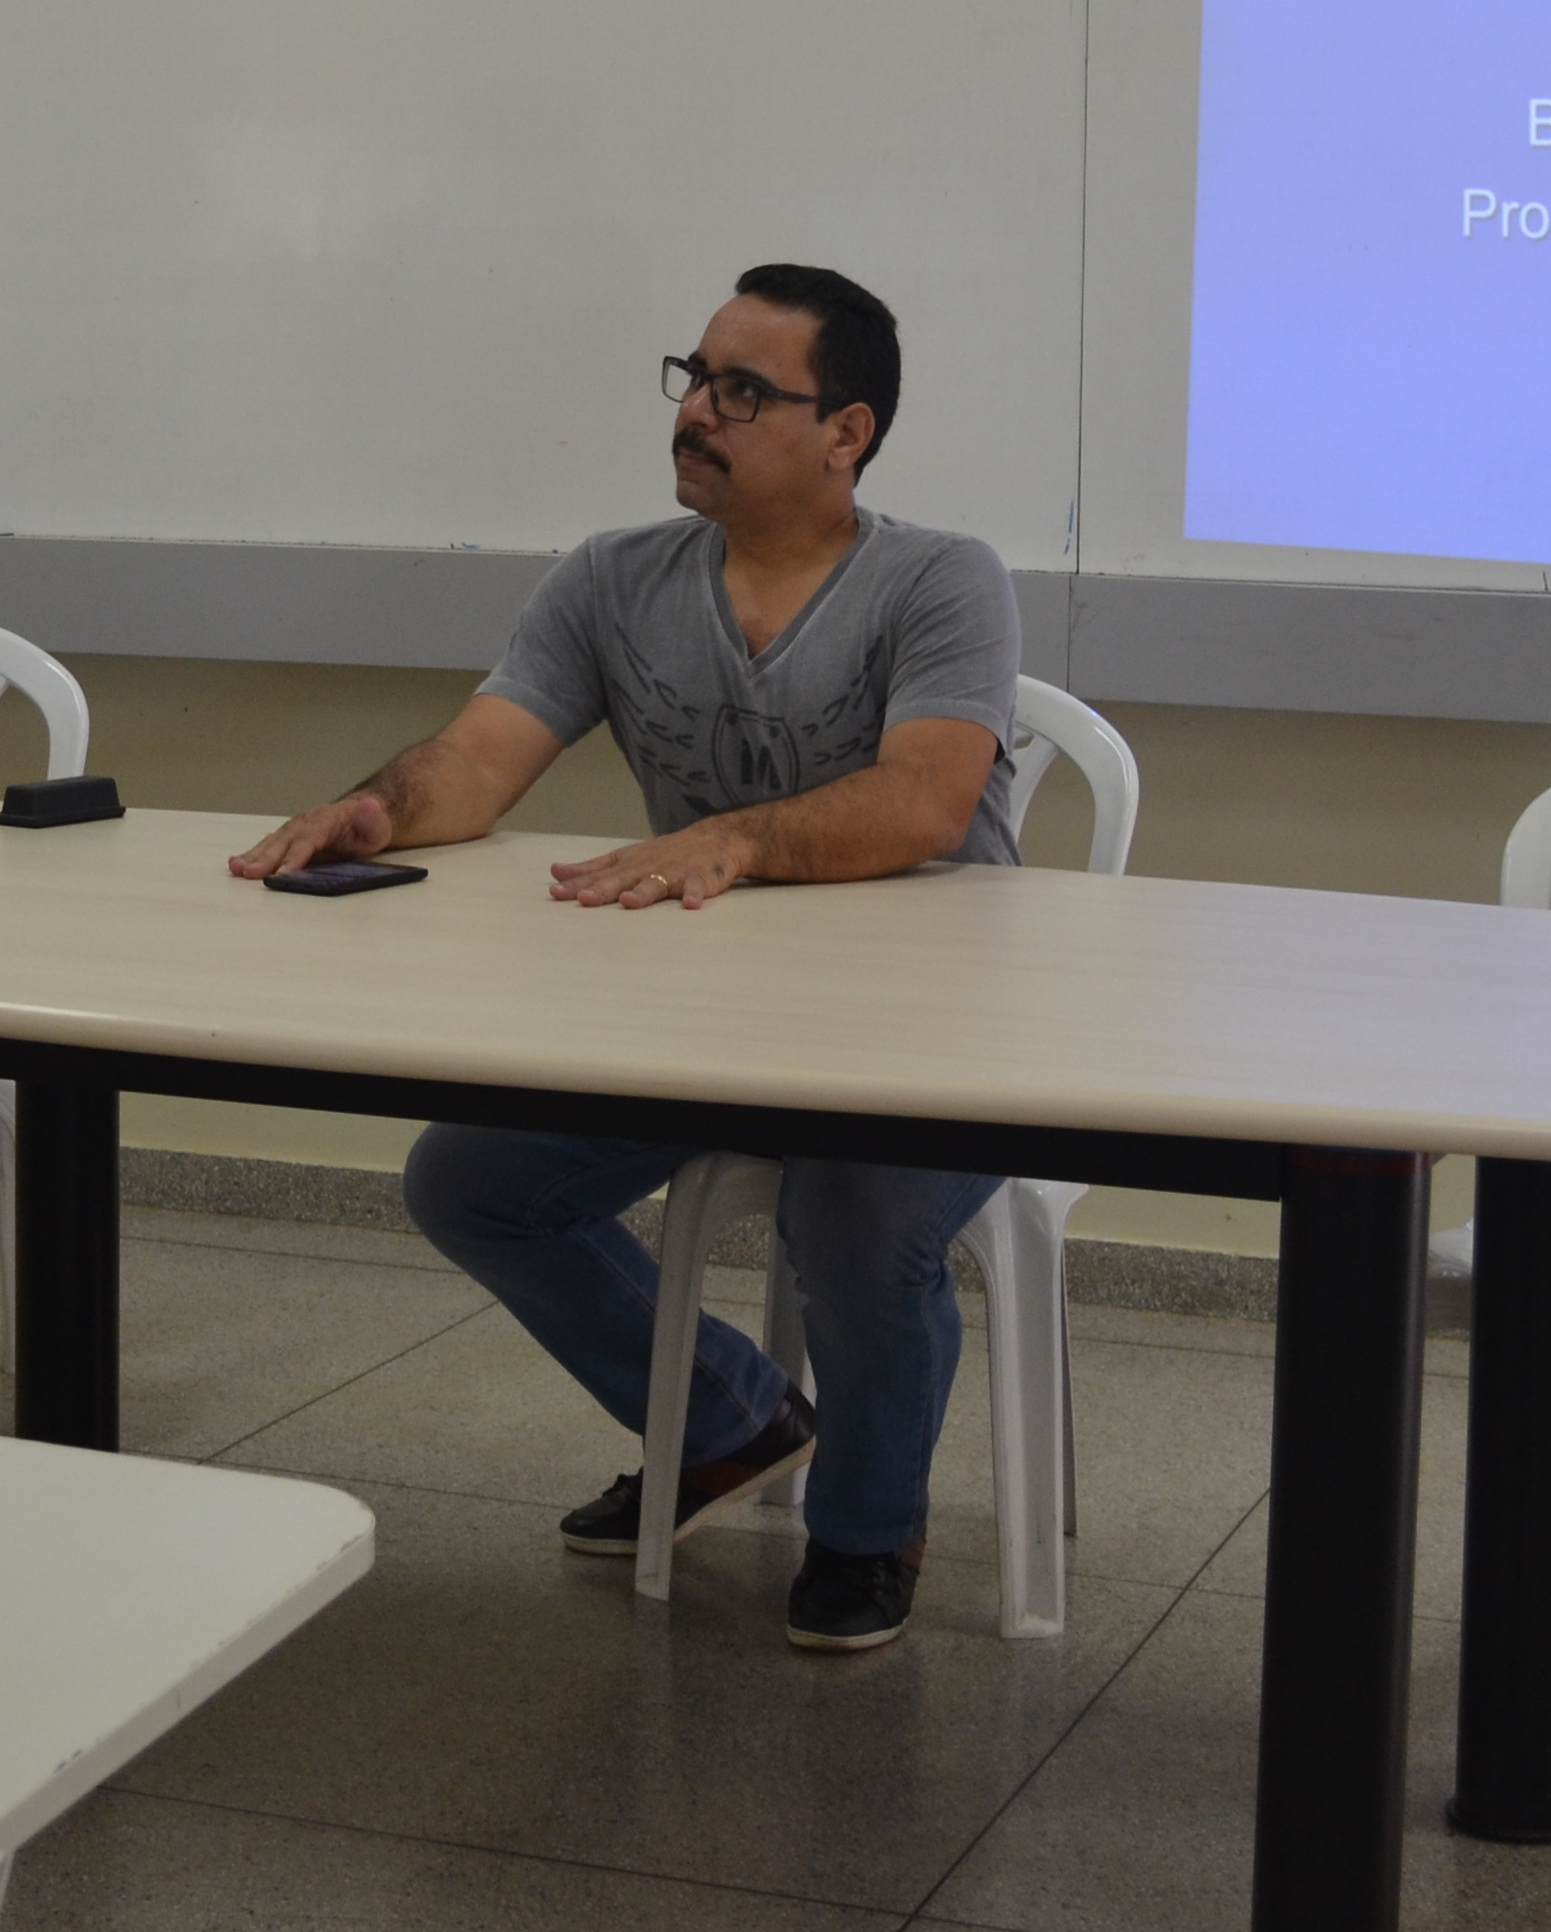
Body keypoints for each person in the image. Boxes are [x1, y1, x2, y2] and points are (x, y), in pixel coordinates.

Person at [230, 263, 1023, 1652]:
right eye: (694, 379)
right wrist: (383, 806)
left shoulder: (940, 579)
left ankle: (867, 1525)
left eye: (743, 391)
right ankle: (729, 1422)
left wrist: (736, 838)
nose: (696, 414)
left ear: (846, 433)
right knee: (473, 1181)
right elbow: (480, 760)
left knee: (851, 1222)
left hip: (936, 1028)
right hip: (707, 1018)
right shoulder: (613, 577)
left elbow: (927, 802)